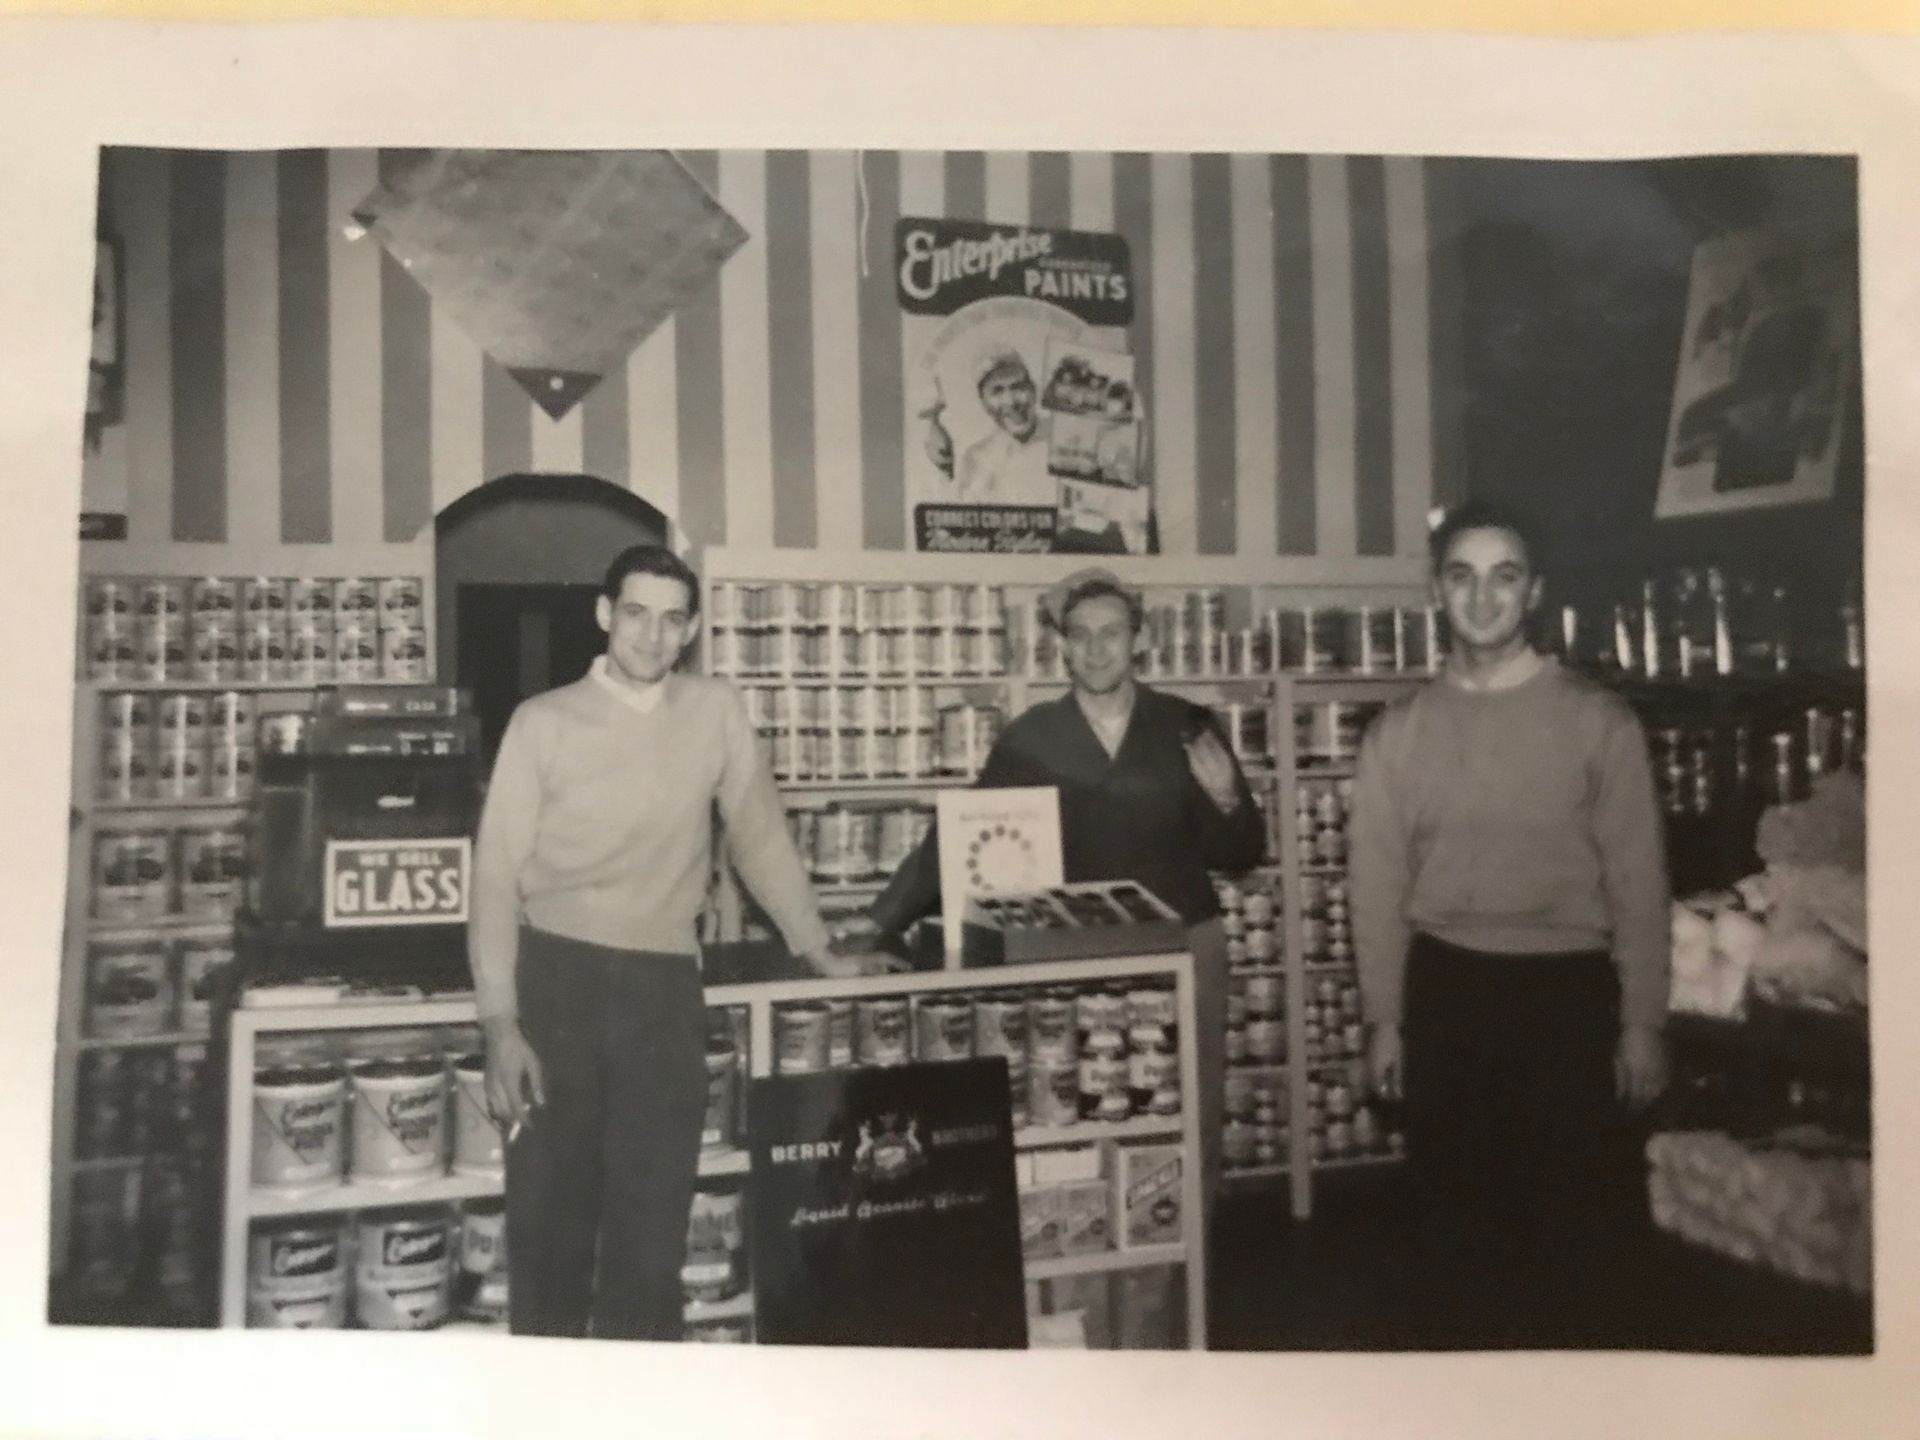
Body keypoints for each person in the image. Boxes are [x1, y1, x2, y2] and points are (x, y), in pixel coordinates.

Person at [468, 544, 878, 1341]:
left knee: (650, 1239)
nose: (652, 638)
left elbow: (760, 833)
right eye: (635, 615)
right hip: (557, 984)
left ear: (690, 629)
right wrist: (498, 1023)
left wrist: (818, 946)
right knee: (552, 1234)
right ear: (602, 615)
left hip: (663, 993)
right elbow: (493, 878)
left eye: (671, 620)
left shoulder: (714, 710)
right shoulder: (542, 721)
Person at [841, 568, 1266, 1232]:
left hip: (1186, 947)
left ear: (1139, 640)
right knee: (1082, 1106)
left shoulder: (1186, 725)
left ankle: (1188, 1279)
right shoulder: (1033, 735)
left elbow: (1241, 851)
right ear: (1062, 647)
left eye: (1112, 633)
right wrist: (878, 919)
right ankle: (1097, 1272)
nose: (1096, 649)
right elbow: (953, 842)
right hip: (1083, 954)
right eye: (1081, 635)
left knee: (1192, 1111)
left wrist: (1233, 801)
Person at [1349, 499, 1671, 1348]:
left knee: (1579, 1239)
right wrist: (1385, 1020)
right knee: (1458, 1238)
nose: (1483, 597)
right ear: (1436, 592)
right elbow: (1375, 891)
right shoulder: (1397, 734)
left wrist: (1642, 1024)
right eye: (1462, 576)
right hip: (1448, 993)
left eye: (1504, 576)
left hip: (1568, 999)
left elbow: (1639, 883)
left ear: (1534, 592)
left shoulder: (1600, 721)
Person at [923, 345, 1054, 507]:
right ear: (984, 403)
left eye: (1018, 387)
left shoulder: (1064, 443)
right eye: (997, 391)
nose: (1011, 402)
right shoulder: (976, 457)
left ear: (1034, 391)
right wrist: (945, 471)